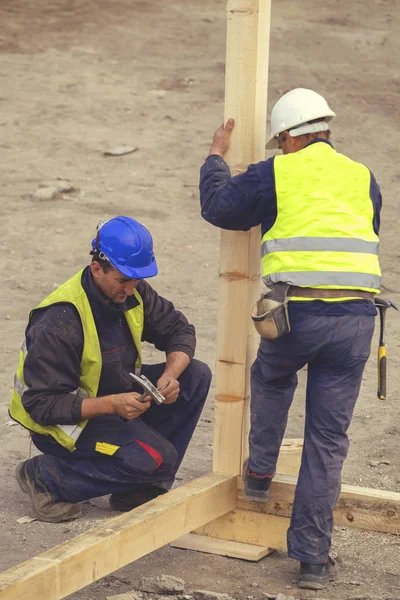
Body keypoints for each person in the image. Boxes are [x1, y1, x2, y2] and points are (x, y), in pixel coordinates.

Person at [199, 88, 381, 591]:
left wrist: (215, 158)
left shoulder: (276, 171)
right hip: (357, 320)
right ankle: (313, 561)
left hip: (298, 313)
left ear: (287, 138)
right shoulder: (362, 176)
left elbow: (219, 207)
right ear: (324, 131)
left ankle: (258, 475)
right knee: (327, 440)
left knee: (273, 376)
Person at [10, 216, 211, 523]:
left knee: (195, 374)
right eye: (123, 281)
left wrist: (170, 375)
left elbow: (178, 330)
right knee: (159, 459)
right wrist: (111, 405)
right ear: (96, 269)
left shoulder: (131, 289)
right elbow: (42, 405)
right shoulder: (60, 320)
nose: (130, 290)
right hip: (61, 425)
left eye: (135, 280)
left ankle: (140, 488)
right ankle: (45, 476)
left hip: (110, 401)